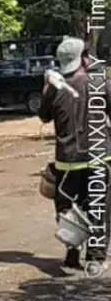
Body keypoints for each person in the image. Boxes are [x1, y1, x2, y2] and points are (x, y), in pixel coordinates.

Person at [38, 37, 108, 270]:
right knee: (99, 207)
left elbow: (43, 116)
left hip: (67, 161)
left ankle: (72, 248)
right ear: (84, 59)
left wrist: (46, 87)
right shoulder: (100, 84)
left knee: (66, 207)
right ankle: (95, 259)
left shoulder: (53, 88)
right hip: (100, 157)